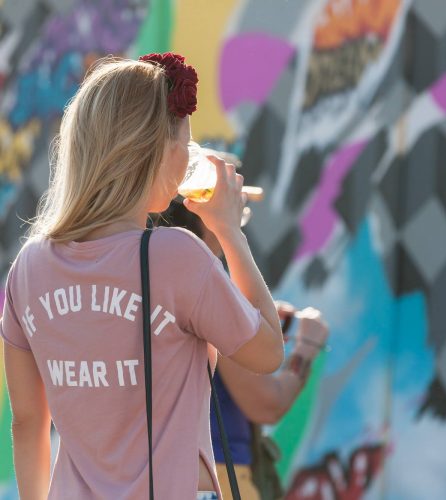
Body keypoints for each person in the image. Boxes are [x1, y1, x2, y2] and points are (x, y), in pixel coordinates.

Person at [1, 53, 284, 500]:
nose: (189, 157)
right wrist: (229, 229)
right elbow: (268, 352)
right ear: (160, 151)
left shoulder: (29, 267)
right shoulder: (175, 256)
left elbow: (28, 421)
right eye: (186, 144)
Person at [158, 199, 329, 499]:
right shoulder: (203, 288)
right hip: (218, 477)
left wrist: (251, 324)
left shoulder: (151, 279)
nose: (240, 216)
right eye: (237, 205)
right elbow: (266, 404)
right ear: (204, 212)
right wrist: (306, 349)